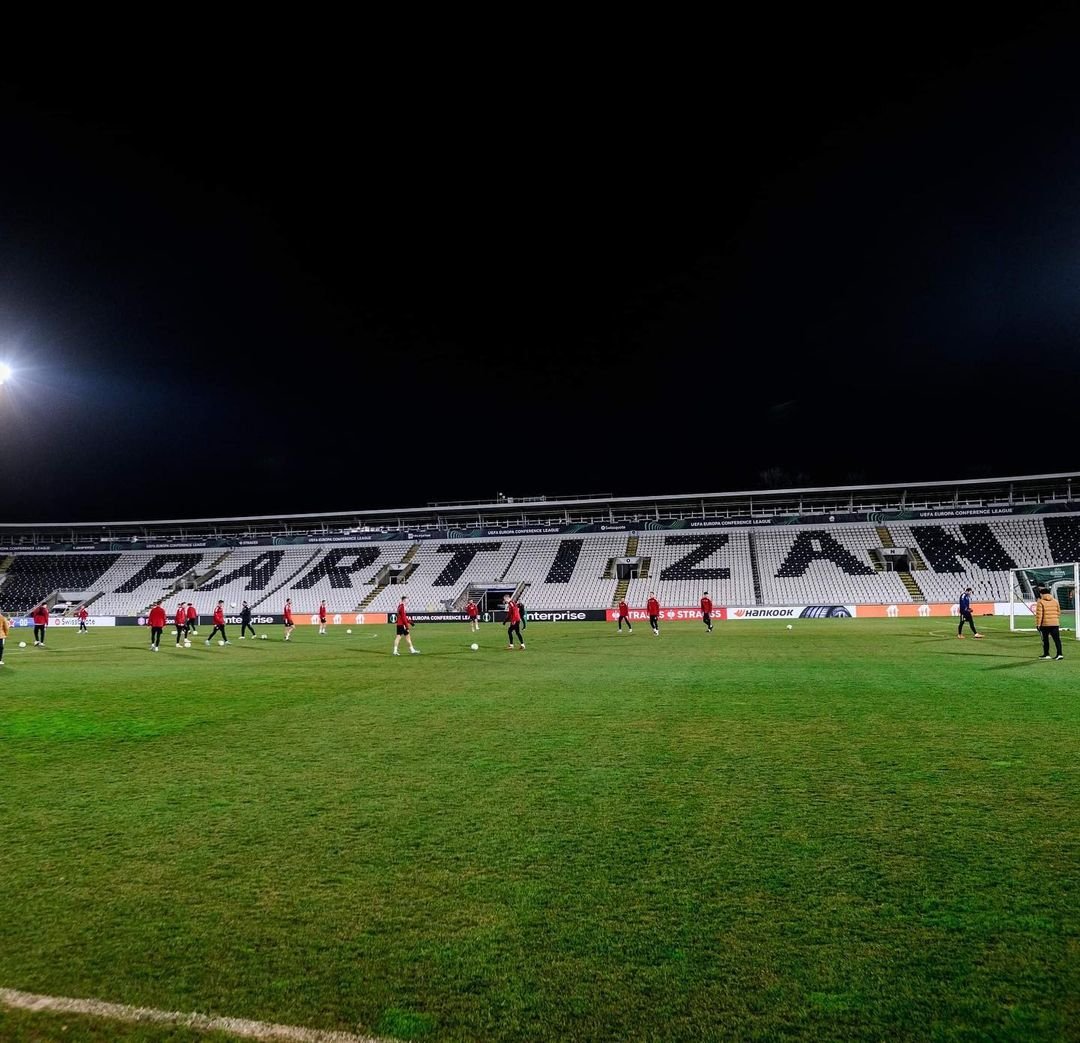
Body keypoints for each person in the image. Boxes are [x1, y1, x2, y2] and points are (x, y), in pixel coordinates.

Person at [1034, 587, 1063, 660]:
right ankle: (1060, 654)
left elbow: (1039, 615)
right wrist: (1055, 619)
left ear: (1041, 594)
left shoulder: (1040, 602)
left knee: (1045, 640)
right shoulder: (1055, 601)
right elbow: (1058, 612)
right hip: (1055, 623)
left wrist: (1038, 625)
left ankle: (1046, 654)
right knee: (1057, 640)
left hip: (1045, 624)